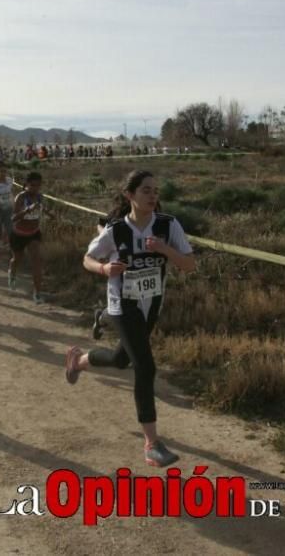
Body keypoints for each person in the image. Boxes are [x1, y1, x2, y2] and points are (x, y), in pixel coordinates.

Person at [64, 170, 196, 467]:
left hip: (152, 304)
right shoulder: (116, 230)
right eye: (146, 190)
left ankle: (80, 361)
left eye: (155, 190)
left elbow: (189, 265)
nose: (153, 196)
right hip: (122, 305)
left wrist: (165, 250)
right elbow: (88, 258)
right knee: (145, 367)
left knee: (122, 359)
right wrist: (103, 270)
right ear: (130, 195)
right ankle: (152, 443)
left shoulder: (168, 225)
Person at [9, 171, 45, 304]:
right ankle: (12, 273)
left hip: (34, 233)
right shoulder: (21, 198)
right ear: (26, 185)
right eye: (32, 185)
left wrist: (50, 214)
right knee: (16, 259)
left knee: (36, 261)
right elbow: (13, 218)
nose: (35, 188)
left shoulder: (40, 197)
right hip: (19, 234)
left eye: (38, 185)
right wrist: (27, 210)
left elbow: (41, 209)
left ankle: (37, 293)